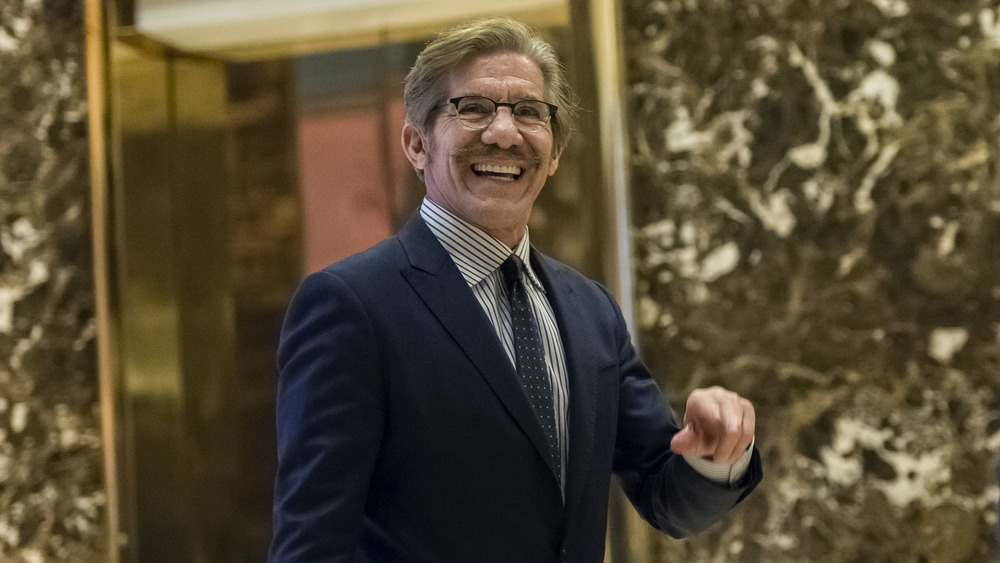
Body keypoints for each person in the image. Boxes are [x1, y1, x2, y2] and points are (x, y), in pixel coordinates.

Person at [270, 17, 762, 563]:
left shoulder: (590, 309)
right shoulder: (350, 304)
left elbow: (665, 498)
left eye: (529, 112)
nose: (505, 133)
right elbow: (311, 545)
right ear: (416, 144)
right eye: (473, 108)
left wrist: (717, 456)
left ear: (552, 154)